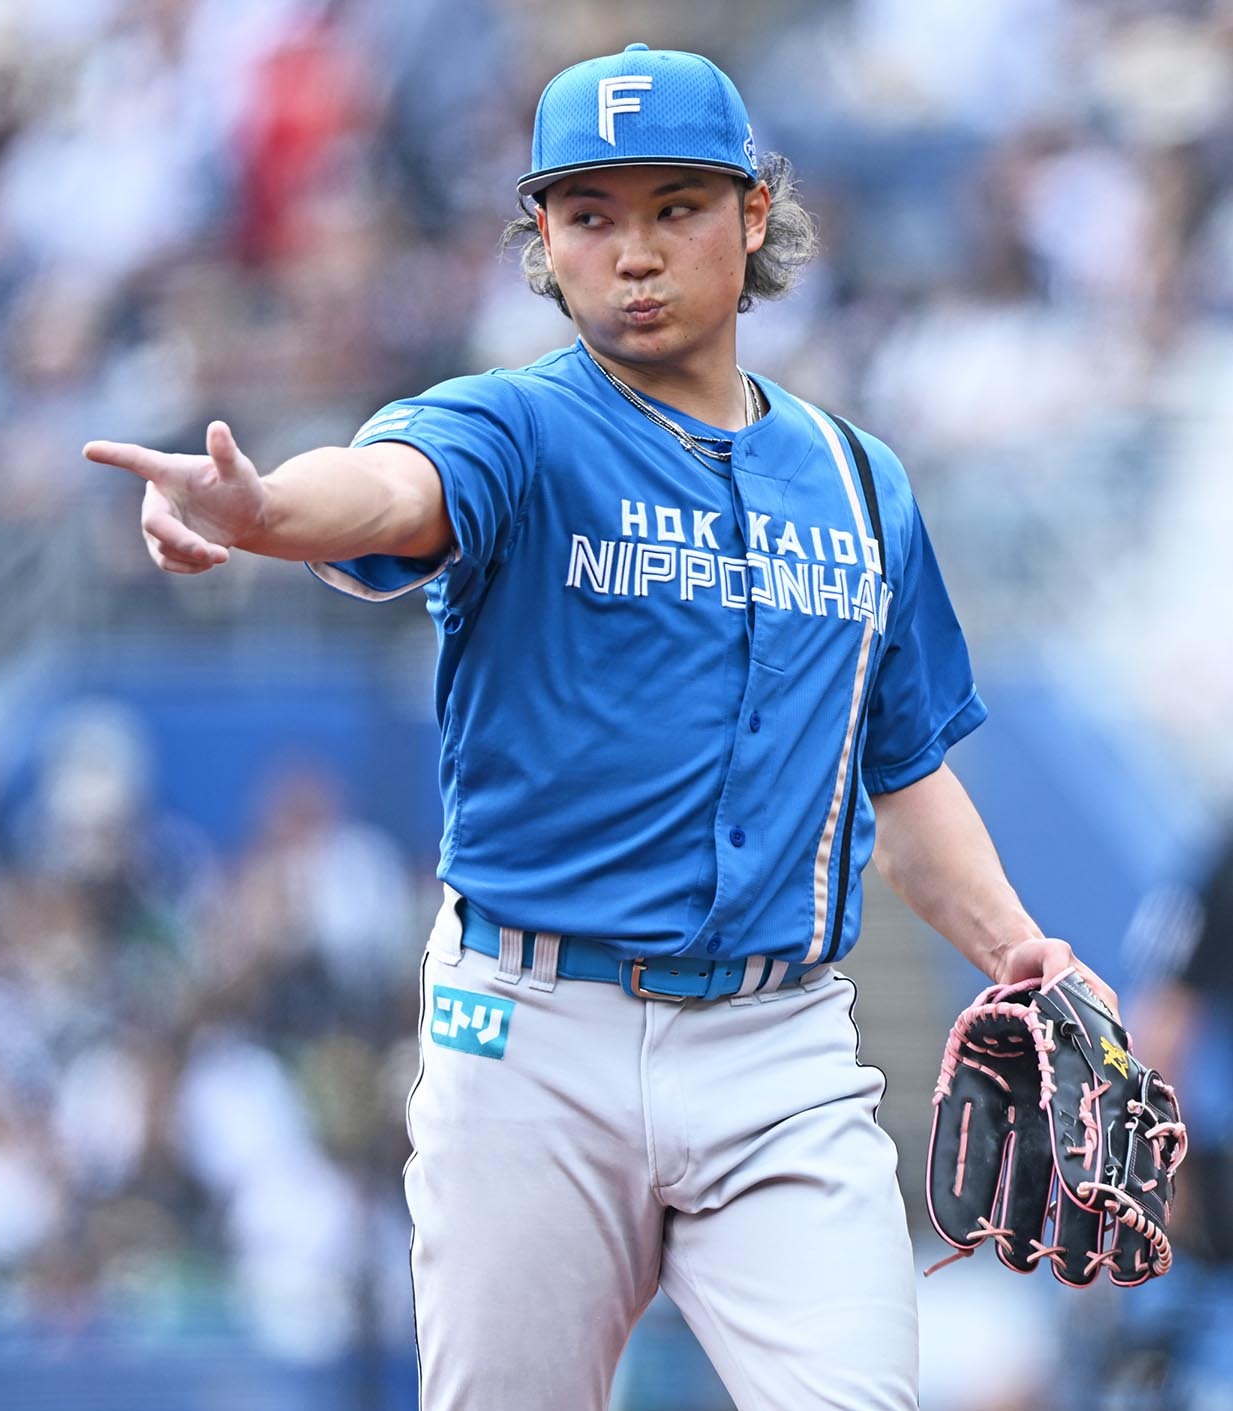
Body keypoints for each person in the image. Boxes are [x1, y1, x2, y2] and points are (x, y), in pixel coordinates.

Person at [85, 43, 1120, 1411]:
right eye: (589, 214)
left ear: (753, 213)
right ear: (543, 238)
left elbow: (902, 769)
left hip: (779, 1053)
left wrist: (1016, 950)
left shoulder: (862, 486)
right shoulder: (515, 430)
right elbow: (390, 488)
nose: (632, 252)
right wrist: (266, 511)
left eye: (674, 207)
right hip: (532, 1038)